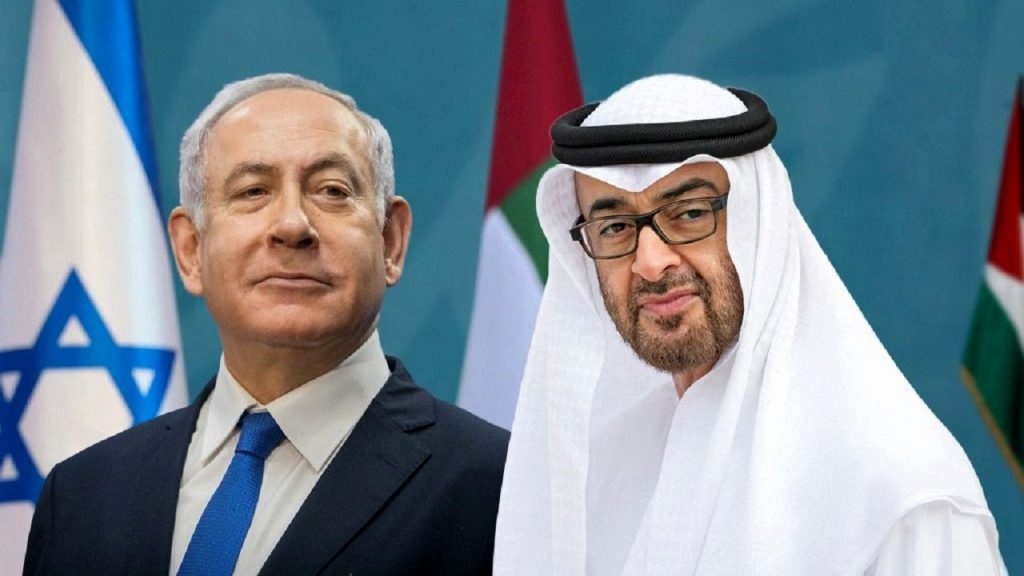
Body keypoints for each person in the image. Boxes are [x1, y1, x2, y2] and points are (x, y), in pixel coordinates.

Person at [493, 74, 1005, 575]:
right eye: (616, 227)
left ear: (757, 223)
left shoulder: (900, 493)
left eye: (689, 214)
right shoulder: (599, 466)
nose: (649, 261)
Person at [24, 73, 509, 575]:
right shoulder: (81, 495)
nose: (293, 225)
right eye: (253, 191)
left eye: (332, 191)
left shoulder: (499, 486)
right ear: (190, 250)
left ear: (391, 241)